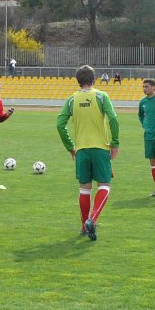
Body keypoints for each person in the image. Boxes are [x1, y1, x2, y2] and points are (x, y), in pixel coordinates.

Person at [57, 65, 119, 242]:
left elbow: (60, 125)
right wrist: (115, 143)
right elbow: (113, 119)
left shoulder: (71, 100)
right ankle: (92, 219)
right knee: (104, 185)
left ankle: (84, 225)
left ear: (78, 81)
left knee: (84, 189)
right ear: (94, 79)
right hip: (100, 148)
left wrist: (71, 147)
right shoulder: (101, 96)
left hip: (81, 150)